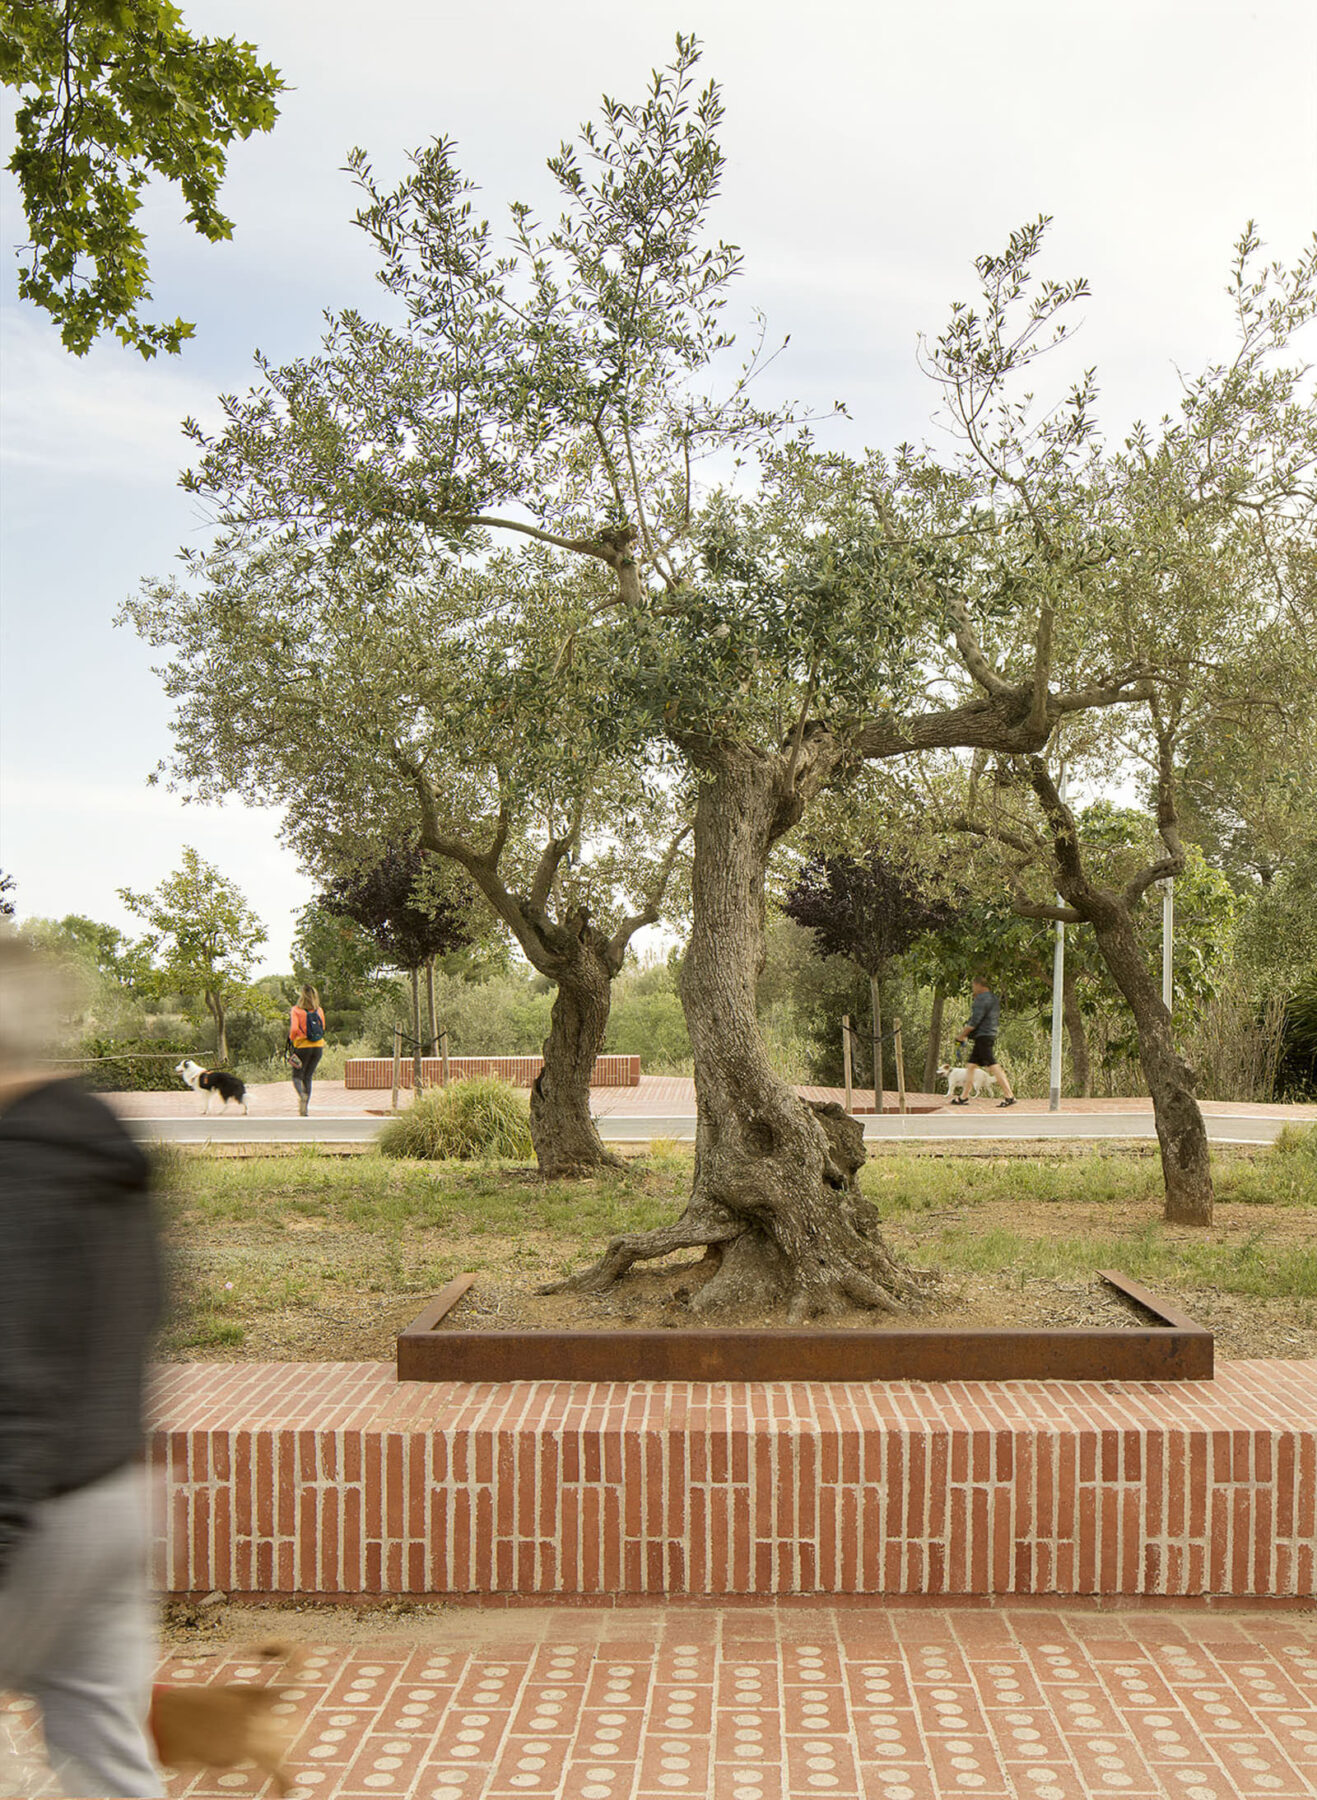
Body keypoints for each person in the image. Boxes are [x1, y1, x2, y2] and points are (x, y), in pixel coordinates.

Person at [0, 937, 164, 1798]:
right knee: (107, 1762)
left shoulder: (13, 1174)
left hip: (27, 1520)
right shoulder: (101, 1147)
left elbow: (12, 1381)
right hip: (112, 1503)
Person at [952, 974, 1017, 1107]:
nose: (972, 989)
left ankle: (1009, 1096)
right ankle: (963, 1097)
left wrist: (962, 1035)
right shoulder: (993, 998)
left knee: (993, 1066)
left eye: (973, 986)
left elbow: (974, 1021)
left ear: (978, 985)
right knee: (970, 1066)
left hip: (983, 1037)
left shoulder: (981, 999)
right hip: (988, 1035)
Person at [287, 983, 327, 1117]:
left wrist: (292, 1039)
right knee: (308, 1077)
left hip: (302, 1047)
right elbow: (323, 1028)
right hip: (317, 1047)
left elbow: (293, 1029)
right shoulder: (319, 1010)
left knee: (297, 1076)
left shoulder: (296, 1010)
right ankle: (305, 1109)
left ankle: (302, 1095)